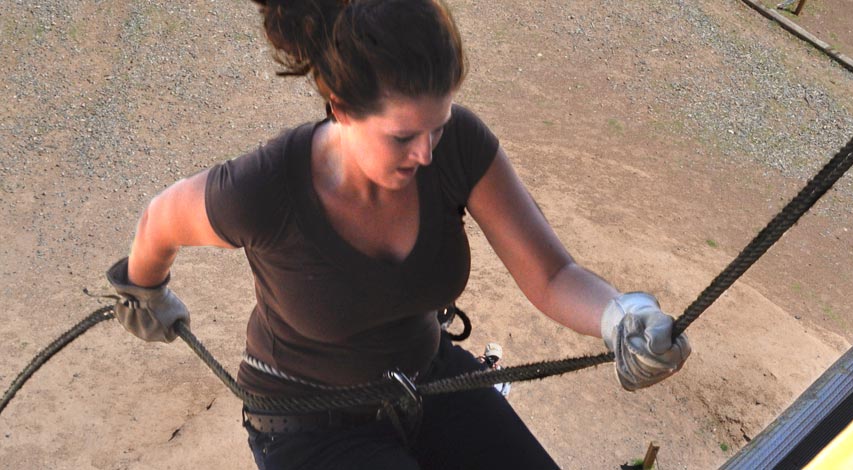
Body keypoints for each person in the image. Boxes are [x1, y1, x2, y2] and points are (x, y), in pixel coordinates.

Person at [104, 0, 692, 468]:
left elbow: (553, 275)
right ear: (340, 106)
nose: (427, 152)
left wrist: (618, 316)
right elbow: (161, 217)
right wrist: (144, 289)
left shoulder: (457, 145)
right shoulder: (264, 189)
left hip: (424, 381)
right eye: (403, 136)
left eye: (436, 127)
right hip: (307, 423)